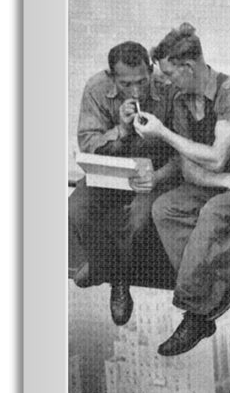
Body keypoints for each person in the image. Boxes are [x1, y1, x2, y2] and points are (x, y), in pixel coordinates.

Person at [135, 24, 230, 357]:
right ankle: (217, 288)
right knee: (165, 208)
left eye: (169, 72)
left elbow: (218, 157)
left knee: (213, 213)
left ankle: (195, 312)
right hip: (222, 183)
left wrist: (163, 132)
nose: (164, 80)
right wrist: (224, 182)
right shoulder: (181, 100)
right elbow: (190, 167)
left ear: (188, 67)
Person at [68, 40, 178, 327]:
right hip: (109, 171)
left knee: (139, 219)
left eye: (142, 81)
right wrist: (121, 129)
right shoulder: (96, 89)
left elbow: (183, 147)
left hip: (153, 174)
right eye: (127, 84)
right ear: (111, 76)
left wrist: (158, 175)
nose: (137, 91)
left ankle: (118, 281)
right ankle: (103, 264)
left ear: (151, 70)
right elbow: (89, 144)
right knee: (77, 209)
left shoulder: (169, 88)